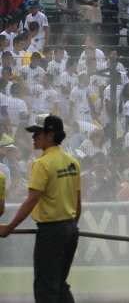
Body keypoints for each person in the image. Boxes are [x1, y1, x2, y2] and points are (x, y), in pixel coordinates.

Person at [0, 114, 81, 302]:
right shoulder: (72, 162)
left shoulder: (42, 164)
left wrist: (9, 227)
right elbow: (77, 203)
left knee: (46, 289)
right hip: (70, 229)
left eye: (37, 133)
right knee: (59, 285)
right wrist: (71, 228)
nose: (33, 137)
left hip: (51, 231)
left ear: (50, 135)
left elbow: (32, 200)